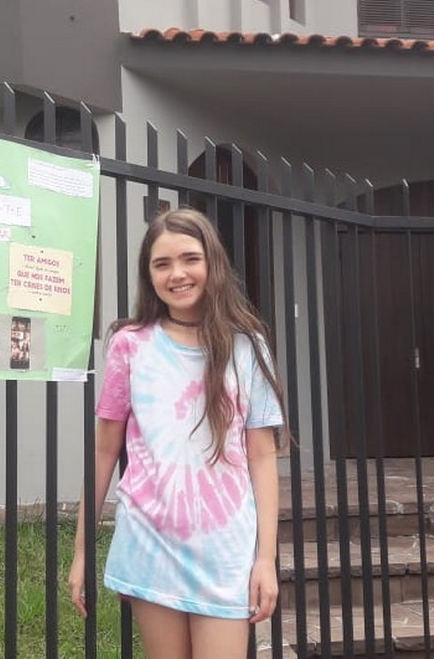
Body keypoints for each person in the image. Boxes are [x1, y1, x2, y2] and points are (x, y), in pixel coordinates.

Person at [68, 208, 287, 658]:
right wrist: (82, 551)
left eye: (190, 259)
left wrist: (265, 559)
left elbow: (263, 456)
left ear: (213, 263)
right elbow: (105, 450)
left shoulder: (247, 345)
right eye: (162, 264)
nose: (177, 274)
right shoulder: (130, 345)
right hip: (150, 543)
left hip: (225, 551)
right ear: (148, 275)